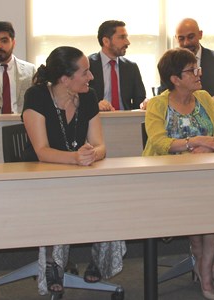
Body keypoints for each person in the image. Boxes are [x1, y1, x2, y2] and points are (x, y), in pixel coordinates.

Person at [21, 46, 124, 295]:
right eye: (85, 73)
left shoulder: (88, 97)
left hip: (78, 174)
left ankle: (99, 259)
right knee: (59, 199)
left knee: (114, 194)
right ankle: (53, 264)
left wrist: (92, 154)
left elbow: (101, 146)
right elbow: (42, 151)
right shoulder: (36, 96)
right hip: (40, 178)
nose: (91, 77)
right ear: (65, 79)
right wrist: (76, 159)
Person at [143, 48, 214, 300]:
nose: (198, 74)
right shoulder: (157, 104)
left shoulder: (204, 97)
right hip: (168, 178)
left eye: (197, 68)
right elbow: (159, 141)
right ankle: (199, 253)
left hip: (209, 175)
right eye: (192, 70)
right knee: (198, 198)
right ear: (175, 79)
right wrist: (194, 142)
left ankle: (204, 263)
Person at [88, 20, 146, 111]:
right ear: (106, 41)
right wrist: (95, 106)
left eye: (126, 37)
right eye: (122, 37)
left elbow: (140, 101)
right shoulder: (88, 65)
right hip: (97, 119)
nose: (127, 42)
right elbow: (78, 100)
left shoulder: (131, 67)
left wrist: (145, 103)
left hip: (125, 121)